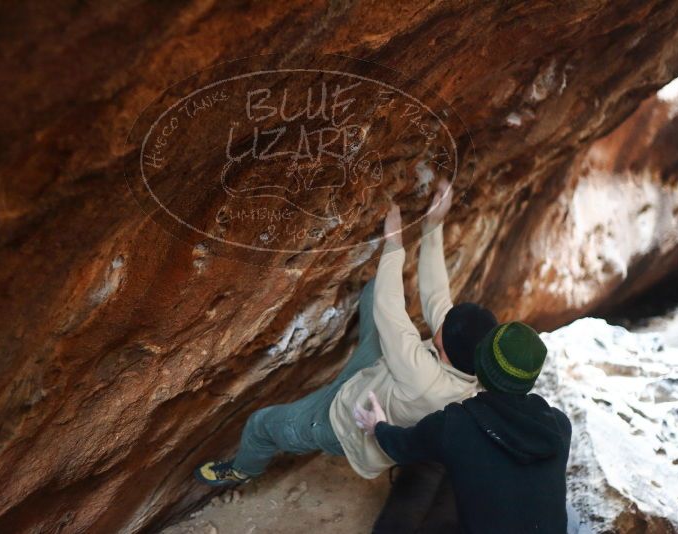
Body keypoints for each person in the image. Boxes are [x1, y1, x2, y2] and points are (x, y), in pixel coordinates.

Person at [194, 179, 497, 486]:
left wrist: (393, 242)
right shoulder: (468, 362)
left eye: (445, 324)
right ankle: (348, 366)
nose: (442, 316)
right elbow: (436, 296)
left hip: (342, 421)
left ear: (443, 345)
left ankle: (242, 469)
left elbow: (389, 310)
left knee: (260, 425)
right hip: (376, 377)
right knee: (373, 290)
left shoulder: (424, 378)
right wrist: (433, 224)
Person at [354, 321, 572, 534]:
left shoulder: (456, 425)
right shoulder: (560, 427)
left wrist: (378, 426)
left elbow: (403, 446)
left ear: (481, 366)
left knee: (432, 462)